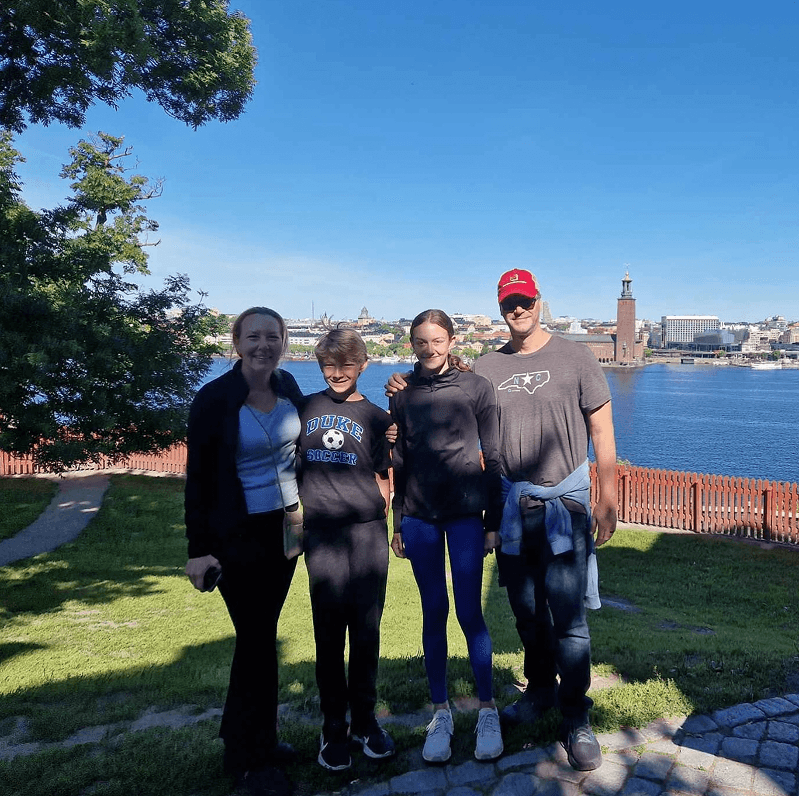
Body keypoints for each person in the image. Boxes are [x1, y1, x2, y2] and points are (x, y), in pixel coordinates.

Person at [387, 272, 617, 772]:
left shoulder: (576, 357)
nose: (519, 309)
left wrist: (609, 495)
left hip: (565, 506)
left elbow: (601, 426)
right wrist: (403, 381)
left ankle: (576, 717)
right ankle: (538, 693)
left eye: (525, 301)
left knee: (569, 621)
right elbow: (448, 386)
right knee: (527, 612)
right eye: (509, 303)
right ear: (500, 308)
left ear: (540, 301)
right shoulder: (488, 366)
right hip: (512, 507)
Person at [184, 307, 304, 796]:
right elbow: (199, 481)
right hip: (238, 536)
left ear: (283, 341)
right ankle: (249, 759)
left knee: (262, 637)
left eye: (272, 336)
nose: (263, 345)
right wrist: (199, 549)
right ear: (236, 341)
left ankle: (257, 740)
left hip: (286, 531)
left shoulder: (290, 387)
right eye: (253, 336)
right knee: (256, 640)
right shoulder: (214, 399)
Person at [389, 309, 505, 764]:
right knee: (433, 610)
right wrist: (398, 520)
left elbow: (492, 457)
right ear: (412, 344)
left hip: (463, 516)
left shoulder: (476, 388)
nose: (430, 349)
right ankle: (440, 712)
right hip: (419, 515)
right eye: (421, 341)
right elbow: (400, 460)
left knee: (470, 612)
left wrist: (492, 521)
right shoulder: (403, 393)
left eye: (438, 340)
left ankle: (487, 708)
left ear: (452, 341)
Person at [297, 328, 396, 771]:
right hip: (323, 534)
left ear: (363, 366)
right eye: (329, 366)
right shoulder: (305, 409)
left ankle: (364, 720)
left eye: (346, 365)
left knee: (367, 630)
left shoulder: (377, 419)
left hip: (367, 533)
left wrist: (381, 498)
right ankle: (333, 725)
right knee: (328, 633)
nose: (337, 373)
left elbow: (386, 473)